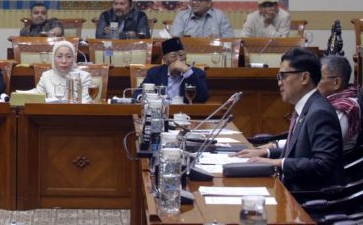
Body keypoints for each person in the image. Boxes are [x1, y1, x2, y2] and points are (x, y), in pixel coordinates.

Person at [235, 48, 344, 192]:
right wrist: (265, 153)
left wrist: (276, 162)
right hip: (293, 190)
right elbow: (297, 153)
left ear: (304, 78)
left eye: (283, 76)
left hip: (309, 199)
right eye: (278, 77)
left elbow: (322, 164)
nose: (279, 83)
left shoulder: (319, 112)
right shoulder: (306, 106)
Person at [135, 38, 208, 103]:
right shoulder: (155, 73)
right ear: (165, 60)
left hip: (185, 114)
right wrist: (143, 99)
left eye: (181, 55)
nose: (179, 59)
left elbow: (203, 97)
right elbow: (138, 93)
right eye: (173, 56)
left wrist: (187, 71)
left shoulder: (197, 73)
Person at [318, 55, 360, 151]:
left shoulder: (344, 108)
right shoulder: (329, 102)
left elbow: (321, 144)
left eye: (319, 78)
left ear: (336, 82)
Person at [169, 0, 233, 38]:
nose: (194, 2)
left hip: (212, 53)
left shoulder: (220, 16)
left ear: (209, 3)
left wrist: (216, 41)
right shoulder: (182, 15)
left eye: (198, 0)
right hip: (187, 53)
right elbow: (174, 39)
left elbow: (229, 40)